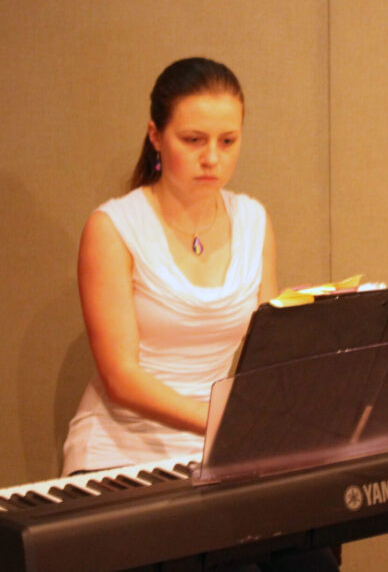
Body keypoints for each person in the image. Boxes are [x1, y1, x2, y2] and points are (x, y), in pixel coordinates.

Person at [61, 57, 337, 570]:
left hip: (219, 447)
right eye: (194, 140)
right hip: (127, 450)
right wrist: (224, 423)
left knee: (312, 564)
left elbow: (266, 345)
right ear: (156, 137)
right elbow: (120, 377)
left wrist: (322, 322)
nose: (213, 157)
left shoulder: (252, 218)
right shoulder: (113, 227)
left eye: (228, 141)